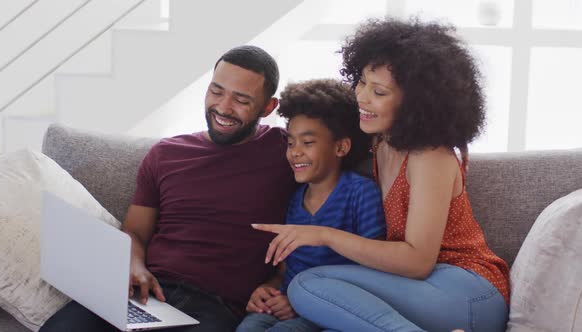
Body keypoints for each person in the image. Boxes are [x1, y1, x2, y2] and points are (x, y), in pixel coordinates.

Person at [254, 18, 510, 332]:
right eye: (361, 82)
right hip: (417, 293)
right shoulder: (380, 144)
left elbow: (418, 262)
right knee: (312, 304)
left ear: (416, 102)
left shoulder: (430, 155)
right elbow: (320, 137)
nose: (361, 97)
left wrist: (323, 234)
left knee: (308, 285)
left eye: (379, 92)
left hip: (469, 292)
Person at [39, 45, 296, 332]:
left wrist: (277, 284)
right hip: (146, 291)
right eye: (216, 91)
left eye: (241, 100)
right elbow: (135, 232)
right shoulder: (167, 154)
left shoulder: (287, 152)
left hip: (214, 307)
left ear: (268, 107)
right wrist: (135, 266)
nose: (223, 107)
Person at [238, 79, 386, 332]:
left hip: (330, 308)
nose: (295, 152)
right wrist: (268, 290)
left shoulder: (361, 193)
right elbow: (285, 271)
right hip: (287, 303)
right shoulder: (295, 200)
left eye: (307, 143)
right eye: (291, 142)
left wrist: (301, 303)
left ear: (341, 147)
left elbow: (374, 271)